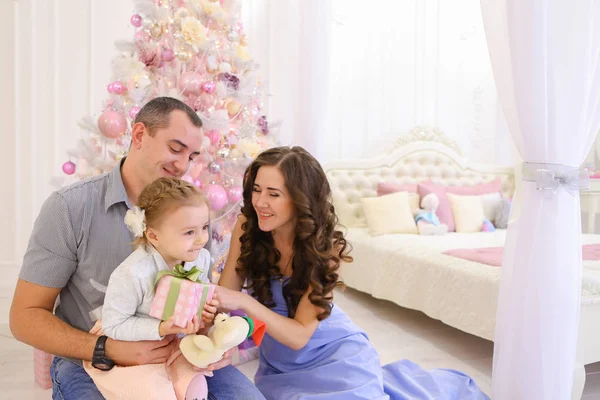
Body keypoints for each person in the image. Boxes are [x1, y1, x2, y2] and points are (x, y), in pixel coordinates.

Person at [9, 97, 265, 400]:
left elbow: (198, 304)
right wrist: (105, 348)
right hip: (93, 359)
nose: (183, 165)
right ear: (140, 134)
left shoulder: (191, 217)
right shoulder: (70, 208)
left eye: (192, 156)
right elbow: (24, 317)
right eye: (175, 148)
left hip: (180, 355)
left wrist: (212, 340)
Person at [216, 146, 490, 400]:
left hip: (336, 356)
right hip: (280, 366)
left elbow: (299, 336)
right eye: (256, 190)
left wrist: (245, 302)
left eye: (273, 194)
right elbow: (225, 295)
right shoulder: (247, 226)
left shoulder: (326, 248)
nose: (260, 202)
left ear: (300, 199)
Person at [84, 177, 216, 400]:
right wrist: (161, 329)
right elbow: (115, 325)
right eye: (189, 232)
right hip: (127, 346)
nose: (202, 239)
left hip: (172, 344)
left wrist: (204, 315)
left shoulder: (199, 259)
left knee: (196, 387)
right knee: (156, 394)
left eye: (204, 227)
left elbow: (194, 303)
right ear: (154, 236)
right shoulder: (132, 273)